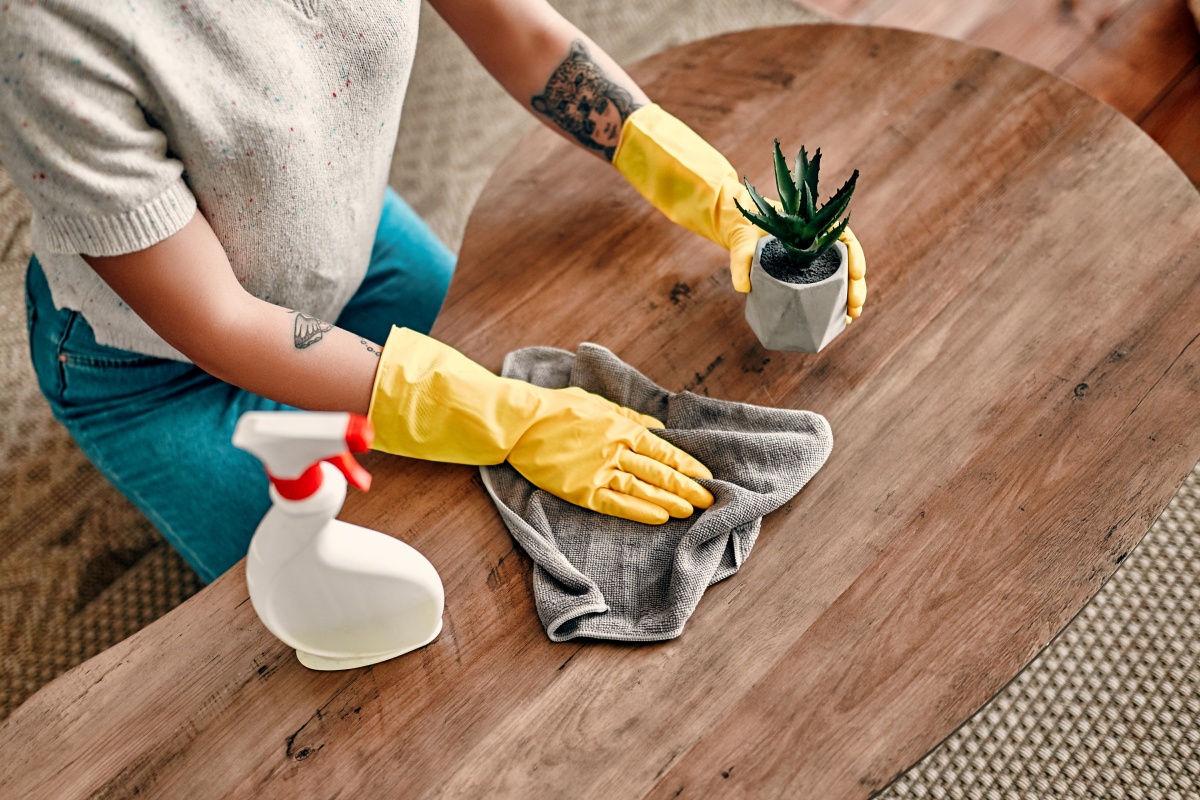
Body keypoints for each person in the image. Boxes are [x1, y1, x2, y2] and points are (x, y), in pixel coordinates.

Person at [1, 0, 866, 583]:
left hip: (350, 241)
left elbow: (526, 37)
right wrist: (512, 419)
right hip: (158, 369)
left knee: (522, 485)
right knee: (340, 593)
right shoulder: (44, 35)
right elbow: (219, 322)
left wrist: (712, 191)